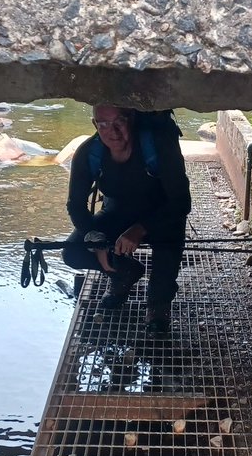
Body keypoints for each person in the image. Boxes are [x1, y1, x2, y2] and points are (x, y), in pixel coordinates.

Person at [62, 104, 191, 332]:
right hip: (117, 210)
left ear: (132, 118)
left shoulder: (158, 145)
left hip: (162, 211)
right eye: (104, 125)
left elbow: (181, 203)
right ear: (95, 125)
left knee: (169, 243)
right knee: (73, 251)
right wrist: (96, 240)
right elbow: (76, 206)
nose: (113, 132)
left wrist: (140, 229)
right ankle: (124, 272)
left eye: (119, 122)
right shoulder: (88, 153)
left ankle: (158, 304)